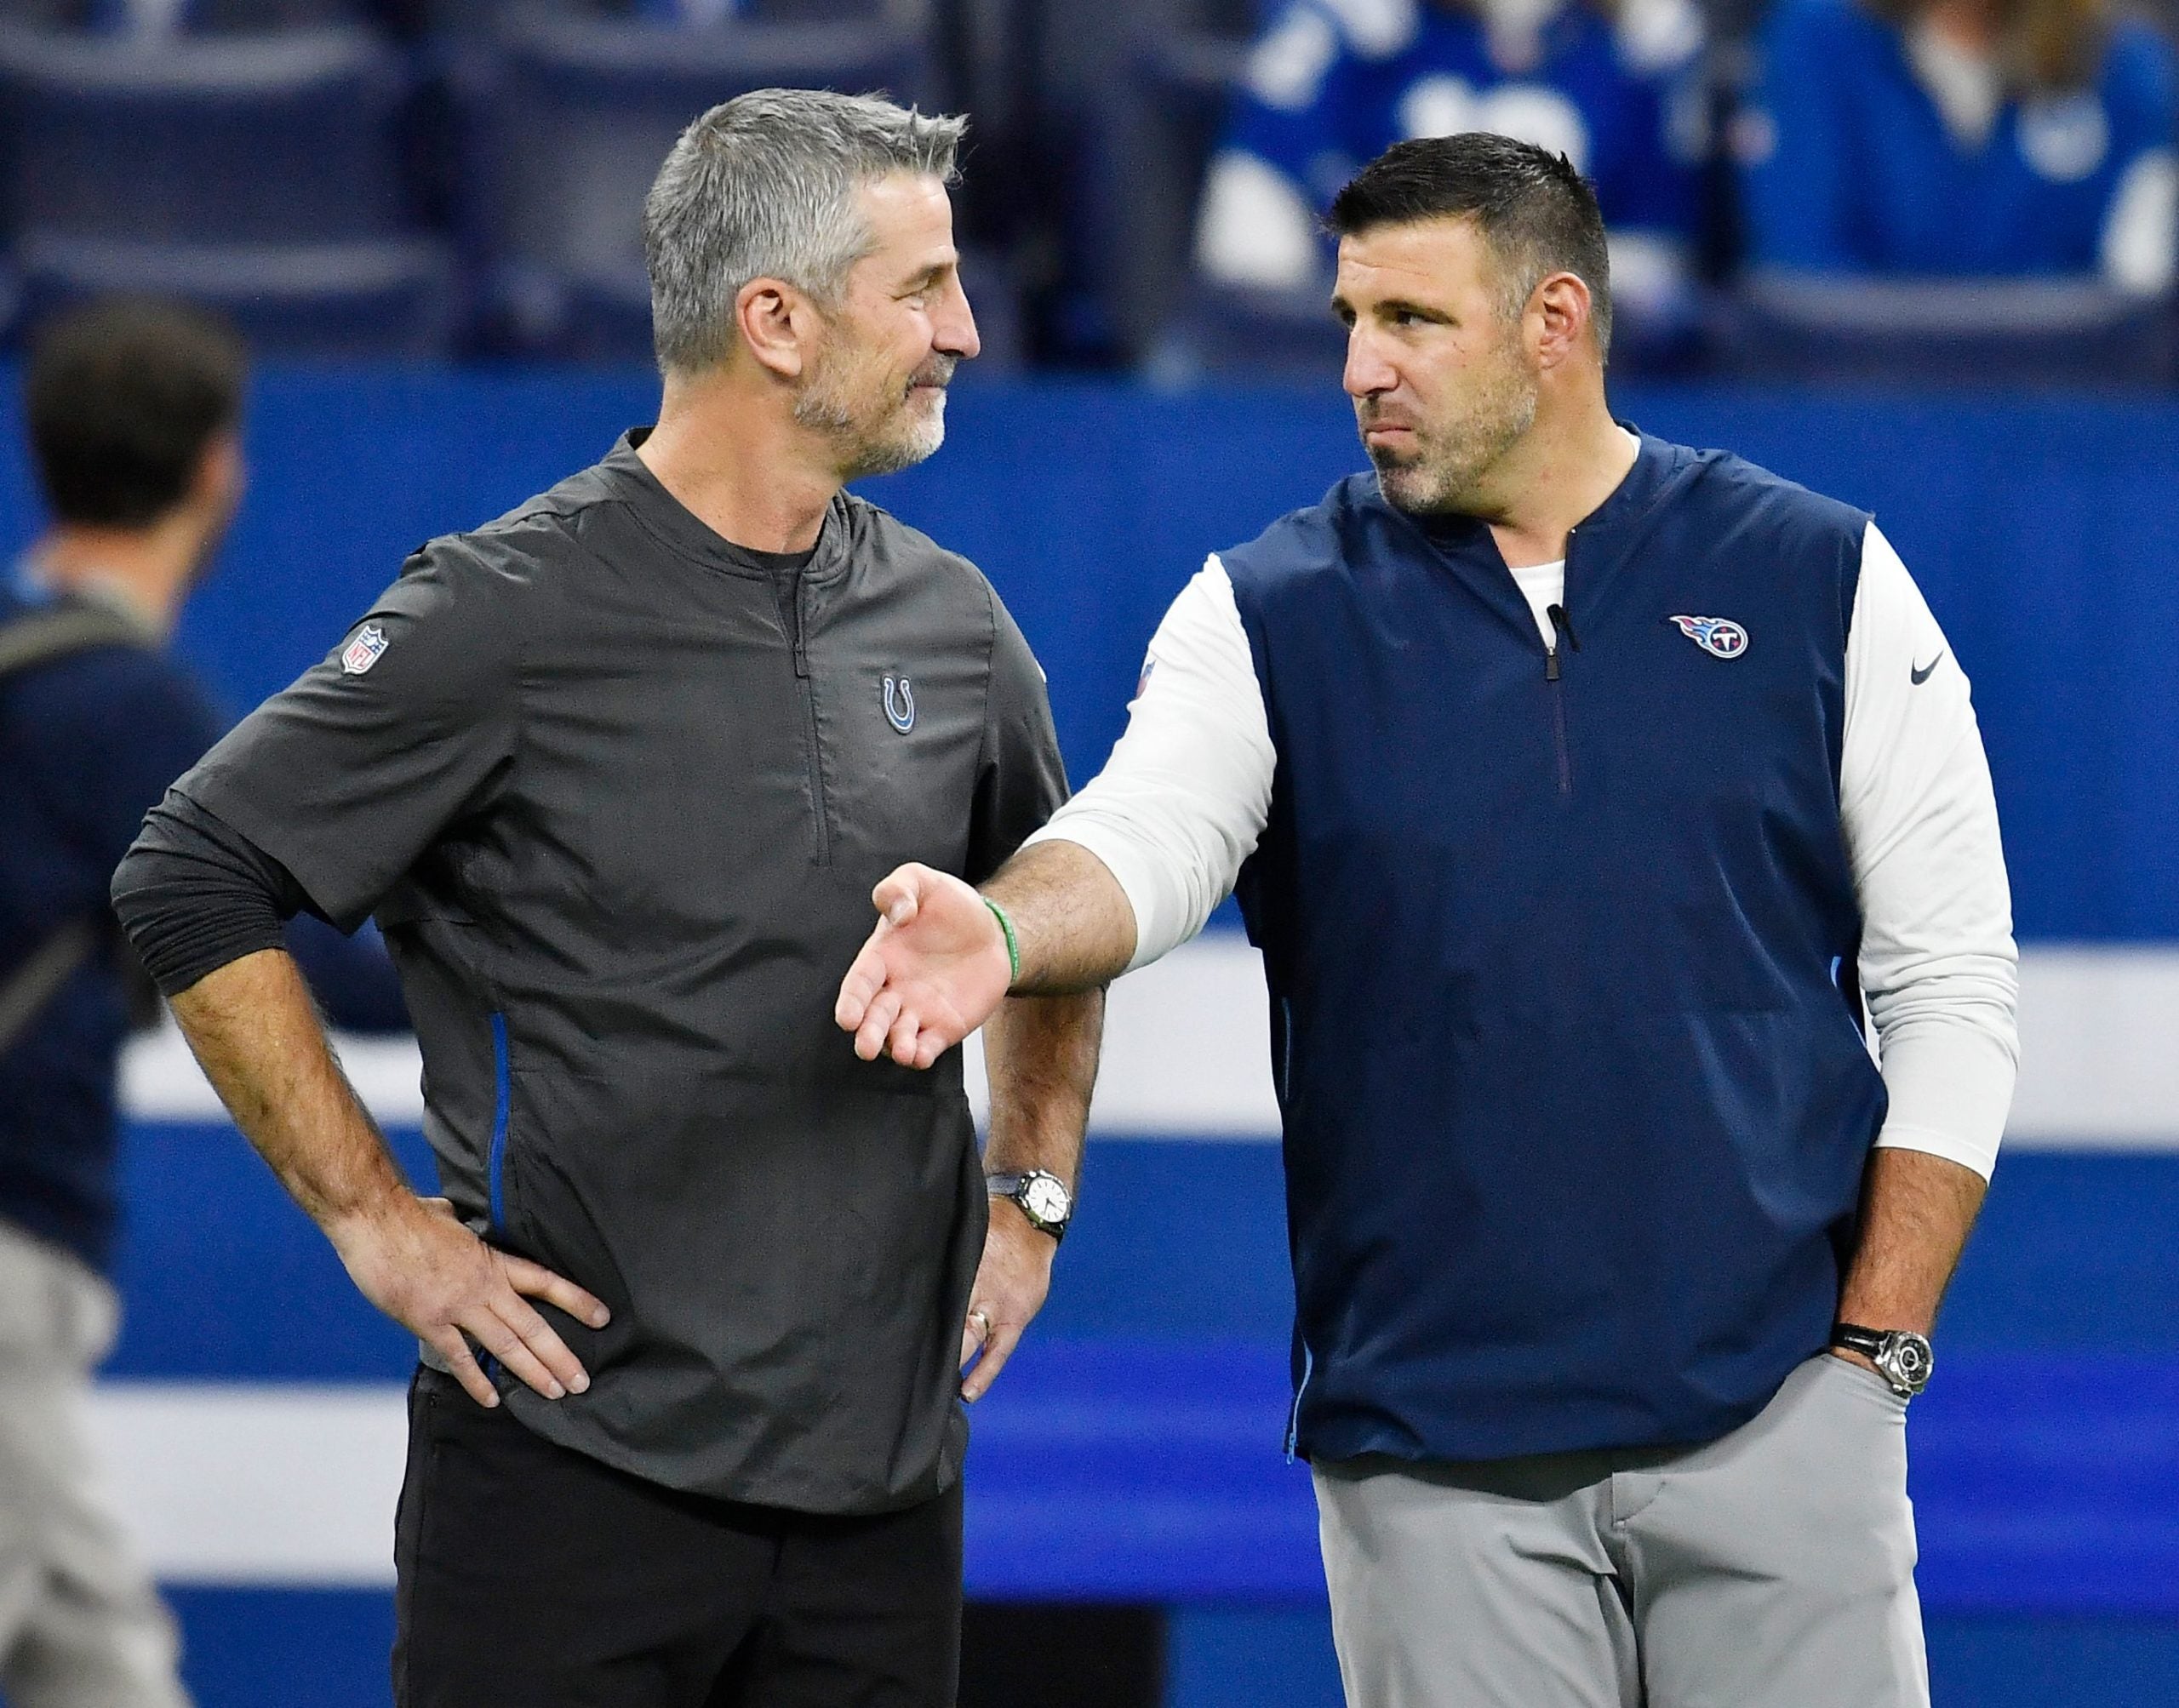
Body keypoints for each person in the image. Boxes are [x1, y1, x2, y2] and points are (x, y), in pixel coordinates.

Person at [837, 132, 2018, 1707]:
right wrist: (1001, 928)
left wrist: (1875, 1359)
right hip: (1433, 1462)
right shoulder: (1268, 607)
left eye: (1411, 320)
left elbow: (1951, 987)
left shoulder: (1826, 576)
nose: (1359, 368)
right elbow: (1143, 834)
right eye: (1349, 319)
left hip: (1784, 1429)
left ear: (1555, 322)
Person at [112, 90, 1102, 1708]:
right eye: (923, 287)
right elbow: (189, 872)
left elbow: (1049, 908)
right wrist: (375, 1222)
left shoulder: (956, 622)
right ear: (775, 321)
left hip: (885, 1505)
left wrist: (1033, 1190)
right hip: (567, 1484)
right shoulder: (499, 610)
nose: (966, 332)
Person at [0, 298, 399, 1707]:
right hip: (7, 1256)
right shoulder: (125, 707)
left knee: (101, 1662)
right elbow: (327, 967)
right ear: (216, 469)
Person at [1194, 0, 1707, 321]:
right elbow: (1255, 189)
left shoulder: (1625, 53)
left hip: (1544, 360)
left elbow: (1652, 251)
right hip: (1349, 350)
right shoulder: (1357, 33)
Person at [1738, 0, 2176, 293]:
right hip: (1858, 384)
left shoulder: (2121, 68)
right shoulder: (1819, 40)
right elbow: (1802, 262)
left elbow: (2137, 290)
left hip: (2062, 388)